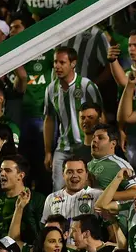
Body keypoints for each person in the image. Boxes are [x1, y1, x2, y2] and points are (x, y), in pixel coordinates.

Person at [44, 47, 103, 191]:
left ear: (73, 63)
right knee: (58, 190)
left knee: (87, 188)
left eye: (62, 62)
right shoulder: (51, 89)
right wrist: (47, 151)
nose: (57, 66)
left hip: (85, 146)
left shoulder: (86, 86)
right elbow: (49, 120)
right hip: (62, 147)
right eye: (55, 62)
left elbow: (101, 116)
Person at [41, 157, 104, 225]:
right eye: (70, 172)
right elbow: (46, 227)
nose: (74, 175)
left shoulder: (98, 195)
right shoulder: (51, 198)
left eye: (79, 171)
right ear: (63, 175)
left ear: (86, 175)